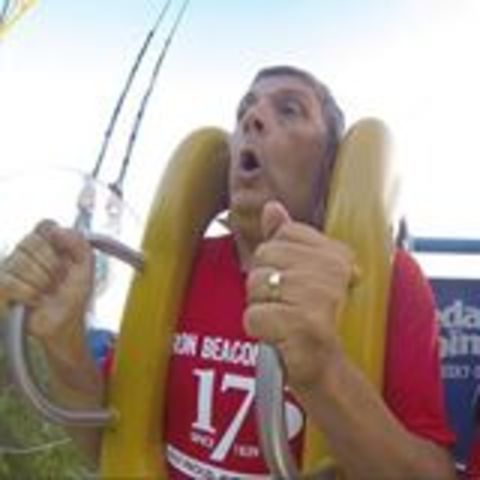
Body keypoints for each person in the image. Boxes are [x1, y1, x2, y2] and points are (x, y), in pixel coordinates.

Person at [0, 65, 457, 479]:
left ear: (330, 166)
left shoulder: (391, 283)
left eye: (290, 110)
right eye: (245, 111)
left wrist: (325, 372)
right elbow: (104, 446)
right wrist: (64, 341)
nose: (252, 119)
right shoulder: (175, 269)